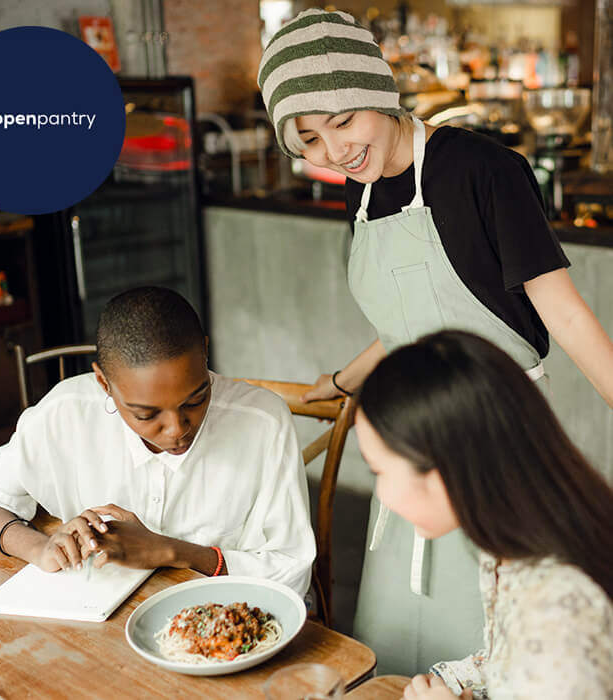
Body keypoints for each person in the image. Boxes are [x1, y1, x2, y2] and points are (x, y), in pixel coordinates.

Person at [257, 8, 613, 672]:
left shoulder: (483, 171)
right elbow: (404, 324)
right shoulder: (358, 193)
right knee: (399, 647)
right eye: (308, 138)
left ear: (380, 95)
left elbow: (563, 315)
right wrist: (341, 382)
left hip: (496, 448)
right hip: (411, 454)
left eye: (343, 121)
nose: (334, 151)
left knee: (510, 646)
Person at [0, 287, 315, 596]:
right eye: (146, 414)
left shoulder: (262, 422)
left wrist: (174, 552)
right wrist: (40, 547)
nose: (176, 429)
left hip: (224, 617)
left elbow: (293, 572)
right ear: (103, 383)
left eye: (196, 398)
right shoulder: (66, 412)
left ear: (205, 352)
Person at [354, 330, 612, 700]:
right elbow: (507, 661)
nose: (381, 493)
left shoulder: (560, 611)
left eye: (378, 470)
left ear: (444, 471)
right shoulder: (518, 535)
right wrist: (450, 681)